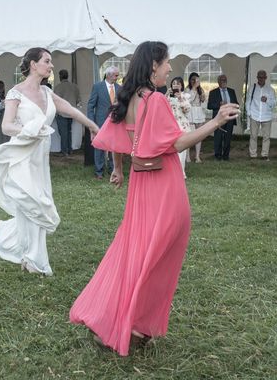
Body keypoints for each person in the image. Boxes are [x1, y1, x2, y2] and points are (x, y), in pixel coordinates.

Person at [69, 41, 239, 355]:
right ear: (153, 66)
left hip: (140, 185)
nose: (170, 68)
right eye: (166, 63)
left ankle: (125, 317)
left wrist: (119, 170)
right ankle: (134, 321)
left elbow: (115, 139)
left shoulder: (127, 97)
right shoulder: (156, 100)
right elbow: (176, 144)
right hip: (163, 183)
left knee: (136, 250)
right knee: (159, 251)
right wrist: (215, 123)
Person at [0, 48, 99, 275]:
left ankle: (4, 229)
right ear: (34, 65)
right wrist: (30, 130)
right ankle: (35, 261)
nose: (51, 65)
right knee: (34, 205)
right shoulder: (16, 93)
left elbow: (71, 110)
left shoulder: (47, 92)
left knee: (34, 207)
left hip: (40, 162)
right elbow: (7, 126)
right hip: (22, 158)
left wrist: (93, 127)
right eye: (47, 61)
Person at [87, 66, 120, 179]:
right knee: (99, 146)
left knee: (113, 147)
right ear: (109, 75)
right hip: (99, 121)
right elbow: (91, 106)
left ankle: (113, 170)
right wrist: (91, 123)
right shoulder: (97, 87)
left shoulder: (119, 88)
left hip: (114, 122)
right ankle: (99, 172)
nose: (117, 77)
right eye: (116, 75)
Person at [246, 70, 277, 160]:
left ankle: (264, 155)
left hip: (266, 116)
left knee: (266, 137)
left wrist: (267, 100)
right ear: (257, 77)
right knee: (253, 136)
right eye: (259, 77)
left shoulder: (270, 89)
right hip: (254, 115)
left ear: (266, 78)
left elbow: (274, 103)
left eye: (263, 77)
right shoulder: (252, 88)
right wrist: (249, 113)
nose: (261, 79)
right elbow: (248, 101)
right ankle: (253, 155)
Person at [207, 75, 239, 161]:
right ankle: (217, 155)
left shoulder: (231, 91)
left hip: (230, 117)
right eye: (222, 80)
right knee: (218, 136)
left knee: (228, 137)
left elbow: (236, 103)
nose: (224, 81)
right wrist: (219, 104)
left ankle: (226, 156)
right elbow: (209, 106)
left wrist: (234, 108)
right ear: (218, 82)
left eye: (225, 80)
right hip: (219, 118)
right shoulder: (213, 92)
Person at [166, 77, 193, 178]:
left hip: (182, 126)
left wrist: (180, 98)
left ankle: (181, 173)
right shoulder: (168, 97)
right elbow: (161, 107)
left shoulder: (186, 96)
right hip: (170, 126)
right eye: (173, 83)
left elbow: (187, 109)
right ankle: (171, 172)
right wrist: (167, 94)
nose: (175, 85)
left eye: (178, 84)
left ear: (181, 85)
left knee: (181, 151)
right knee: (171, 151)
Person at [53, 69, 81, 156]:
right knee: (69, 131)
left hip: (62, 113)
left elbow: (55, 101)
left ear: (60, 76)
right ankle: (69, 149)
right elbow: (78, 100)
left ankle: (64, 151)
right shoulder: (74, 87)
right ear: (67, 76)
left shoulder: (58, 87)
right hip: (71, 113)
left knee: (63, 133)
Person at [184, 72, 206, 162]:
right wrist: (194, 88)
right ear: (190, 80)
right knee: (189, 134)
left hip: (199, 112)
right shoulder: (187, 89)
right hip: (191, 113)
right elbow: (189, 99)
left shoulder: (200, 89)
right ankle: (187, 156)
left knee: (199, 135)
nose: (195, 81)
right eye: (193, 79)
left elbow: (204, 101)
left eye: (197, 79)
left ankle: (197, 156)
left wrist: (203, 97)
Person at [0, 80, 9, 146]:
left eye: (2, 87)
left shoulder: (4, 97)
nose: (2, 89)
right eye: (0, 87)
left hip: (4, 117)